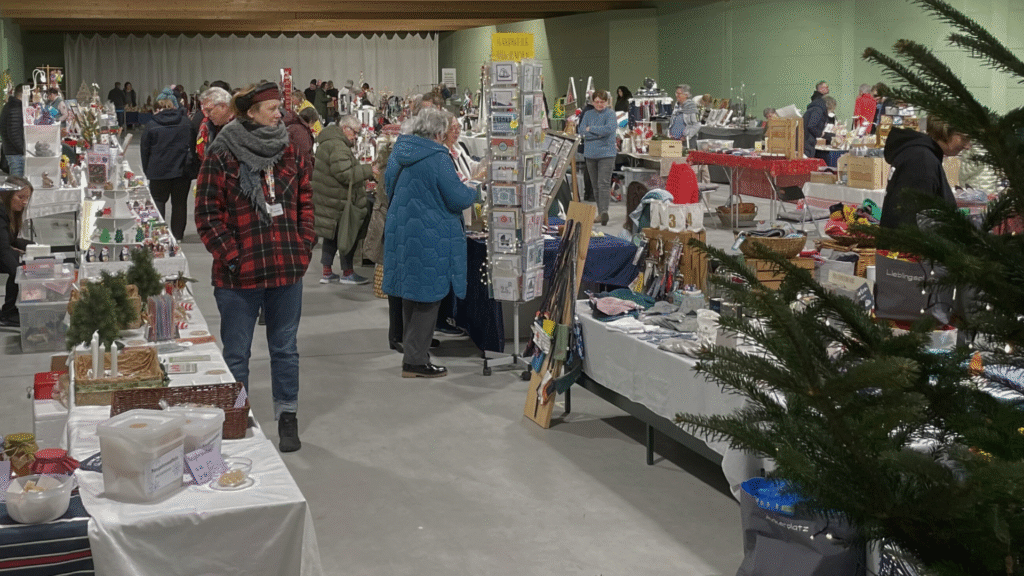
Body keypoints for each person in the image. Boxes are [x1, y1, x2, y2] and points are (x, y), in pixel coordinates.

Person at [195, 82, 315, 452]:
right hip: (238, 277)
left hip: (285, 269)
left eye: (280, 107)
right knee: (236, 353)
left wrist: (303, 245)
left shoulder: (289, 149)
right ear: (249, 112)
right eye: (272, 108)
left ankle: (287, 416)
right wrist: (232, 256)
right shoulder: (222, 153)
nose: (280, 114)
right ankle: (236, 418)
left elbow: (305, 199)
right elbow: (206, 213)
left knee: (285, 349)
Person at [382, 107, 476, 378]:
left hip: (402, 229)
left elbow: (389, 187)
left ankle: (413, 347)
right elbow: (457, 197)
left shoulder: (401, 151)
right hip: (429, 233)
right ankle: (415, 361)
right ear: (438, 132)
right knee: (428, 296)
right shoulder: (437, 158)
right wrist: (476, 192)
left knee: (411, 293)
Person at [313, 114, 373, 285]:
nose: (355, 137)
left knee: (331, 235)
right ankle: (347, 272)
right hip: (337, 198)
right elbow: (346, 174)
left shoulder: (329, 141)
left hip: (328, 197)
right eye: (355, 132)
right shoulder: (338, 146)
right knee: (347, 233)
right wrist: (369, 170)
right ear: (345, 129)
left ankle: (327, 272)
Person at [880, 116, 971, 230]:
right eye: (964, 139)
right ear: (946, 131)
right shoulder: (922, 161)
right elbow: (911, 225)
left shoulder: (922, 155)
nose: (967, 146)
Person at [141, 94, 192, 241]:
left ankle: (159, 235)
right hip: (182, 171)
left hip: (158, 171)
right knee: (180, 203)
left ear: (156, 109)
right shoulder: (186, 123)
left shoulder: (151, 125)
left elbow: (145, 150)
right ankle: (178, 236)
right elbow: (192, 146)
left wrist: (147, 170)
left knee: (158, 201)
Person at [578, 89, 617, 226]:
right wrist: (598, 133)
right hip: (590, 154)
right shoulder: (588, 114)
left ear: (607, 102)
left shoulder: (611, 114)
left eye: (602, 102)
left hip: (607, 154)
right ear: (592, 102)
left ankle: (604, 211)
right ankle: (601, 213)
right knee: (595, 186)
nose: (599, 104)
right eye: (596, 102)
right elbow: (581, 131)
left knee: (603, 183)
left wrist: (591, 129)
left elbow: (610, 129)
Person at [0, 175, 32, 327]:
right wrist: (19, 273)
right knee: (17, 268)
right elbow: (4, 249)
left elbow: (10, 240)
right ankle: (8, 313)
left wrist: (34, 246)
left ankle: (12, 310)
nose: (24, 202)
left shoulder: (8, 212)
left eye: (27, 198)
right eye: (20, 197)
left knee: (19, 262)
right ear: (7, 195)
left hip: (3, 248)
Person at [195, 87, 234, 167]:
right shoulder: (208, 125)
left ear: (223, 106)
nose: (206, 115)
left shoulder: (241, 127)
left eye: (209, 110)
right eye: (205, 111)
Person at [0, 85, 26, 176]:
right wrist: (24, 149)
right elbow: (14, 134)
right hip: (15, 153)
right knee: (18, 185)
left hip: (11, 151)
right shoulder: (15, 108)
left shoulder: (9, 106)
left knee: (17, 184)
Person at [803, 91, 828, 158]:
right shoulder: (818, 110)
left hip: (804, 140)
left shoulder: (814, 108)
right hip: (807, 141)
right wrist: (821, 133)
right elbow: (811, 126)